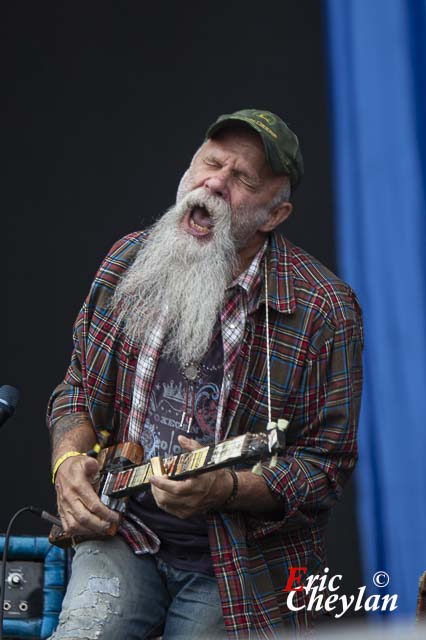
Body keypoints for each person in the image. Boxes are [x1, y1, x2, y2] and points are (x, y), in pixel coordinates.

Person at [47, 109, 363, 639]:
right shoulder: (127, 262)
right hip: (125, 531)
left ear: (273, 215)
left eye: (242, 179)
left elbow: (324, 467)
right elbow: (77, 387)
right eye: (210, 162)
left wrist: (227, 487)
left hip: (242, 563)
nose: (214, 182)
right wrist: (68, 462)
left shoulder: (323, 310)